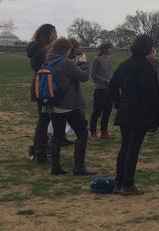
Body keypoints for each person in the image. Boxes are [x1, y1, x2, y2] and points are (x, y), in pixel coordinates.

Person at [108, 34, 159, 196]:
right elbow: (148, 92)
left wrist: (119, 103)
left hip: (125, 110)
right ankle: (128, 183)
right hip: (139, 111)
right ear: (148, 48)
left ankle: (118, 182)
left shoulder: (124, 65)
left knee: (125, 146)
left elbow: (112, 86)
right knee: (133, 147)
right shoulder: (146, 67)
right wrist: (151, 112)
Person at [45, 37, 94, 176]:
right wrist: (84, 63)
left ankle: (55, 166)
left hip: (54, 103)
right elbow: (84, 77)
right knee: (82, 134)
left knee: (57, 135)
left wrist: (74, 64)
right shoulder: (66, 62)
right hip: (69, 104)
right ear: (67, 50)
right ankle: (79, 167)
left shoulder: (49, 60)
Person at [27, 23, 58, 164]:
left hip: (43, 87)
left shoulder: (38, 49)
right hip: (45, 89)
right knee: (44, 120)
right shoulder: (42, 51)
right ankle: (40, 152)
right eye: (54, 33)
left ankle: (40, 149)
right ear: (47, 35)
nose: (56, 36)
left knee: (44, 119)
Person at [89, 42, 114, 141]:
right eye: (110, 48)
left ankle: (104, 132)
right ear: (104, 49)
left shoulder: (108, 60)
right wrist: (105, 81)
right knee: (97, 112)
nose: (112, 49)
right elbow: (94, 74)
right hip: (100, 90)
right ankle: (93, 133)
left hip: (109, 90)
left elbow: (110, 73)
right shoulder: (96, 60)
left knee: (107, 112)